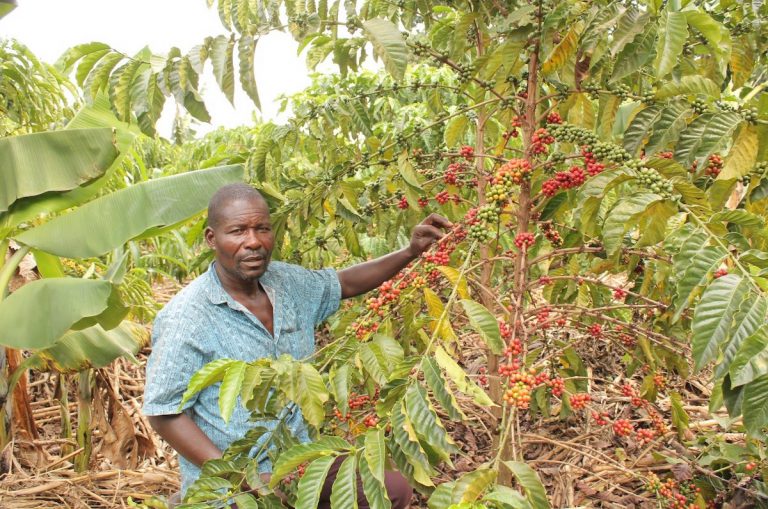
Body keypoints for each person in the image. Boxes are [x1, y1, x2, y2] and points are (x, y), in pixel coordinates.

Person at [143, 183, 452, 508]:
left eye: (262, 229)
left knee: (392, 491)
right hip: (230, 486)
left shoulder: (287, 283)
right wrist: (238, 476)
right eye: (238, 231)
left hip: (297, 463)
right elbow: (164, 413)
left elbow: (343, 283)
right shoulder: (186, 316)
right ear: (212, 238)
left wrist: (409, 251)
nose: (253, 241)